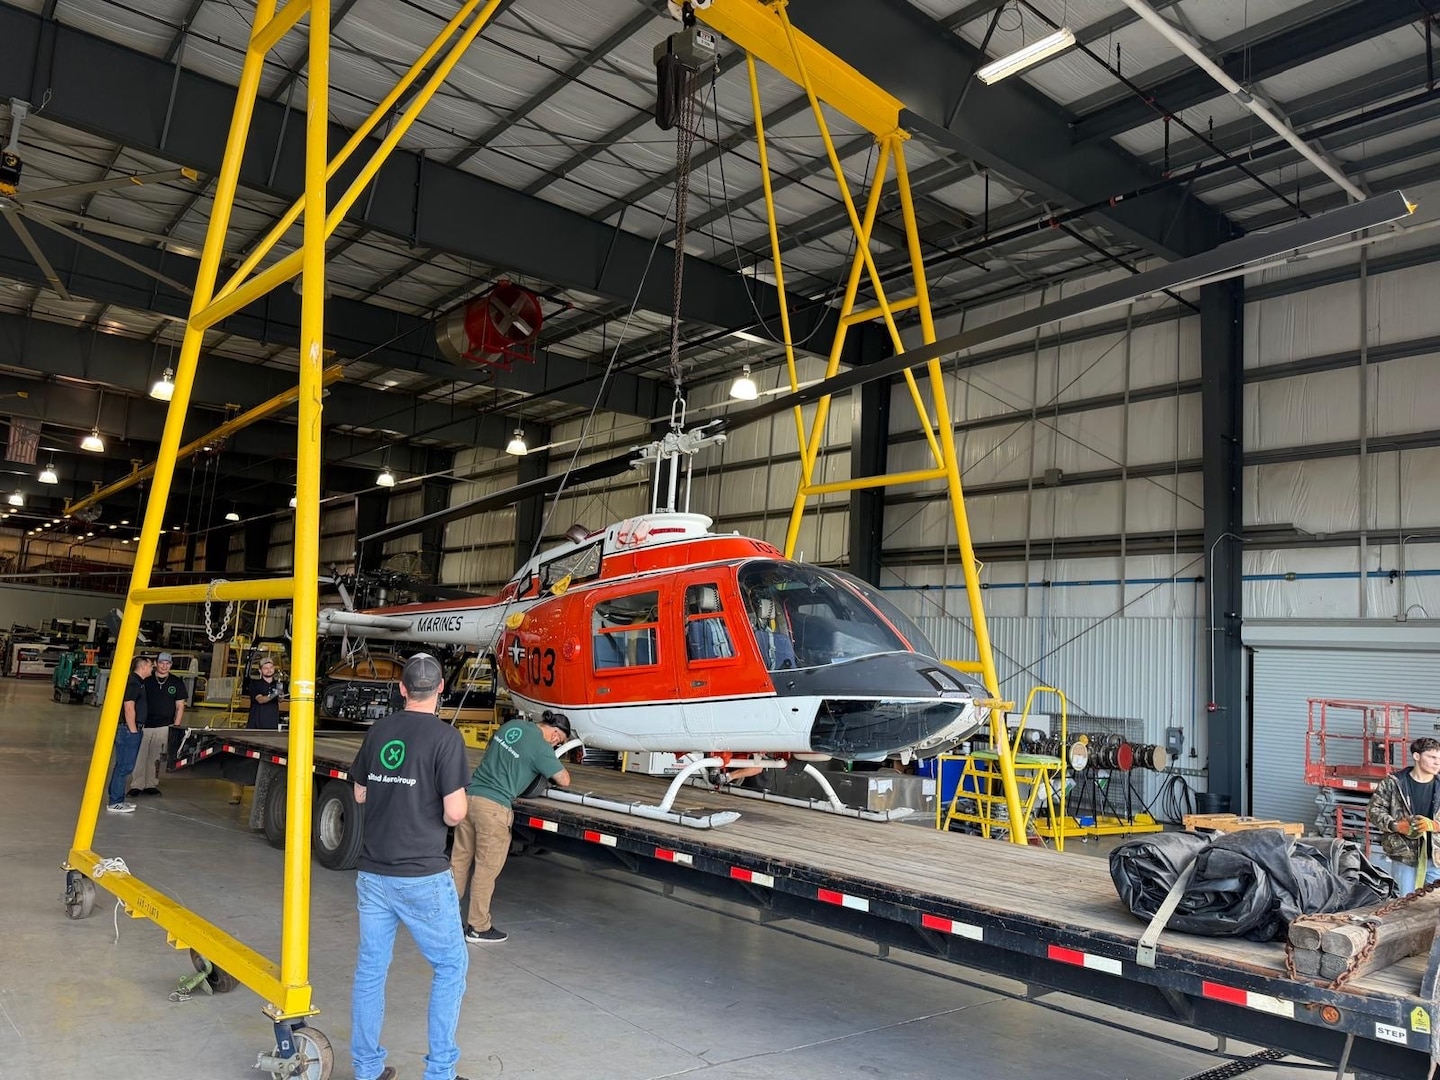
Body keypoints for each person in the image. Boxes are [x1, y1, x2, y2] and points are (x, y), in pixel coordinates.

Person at [349, 653, 472, 1080]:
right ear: (441, 689)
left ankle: (367, 1069)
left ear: (402, 689)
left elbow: (360, 793)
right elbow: (455, 813)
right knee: (450, 967)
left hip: (373, 873)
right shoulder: (446, 738)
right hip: (421, 875)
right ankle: (440, 1072)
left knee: (371, 970)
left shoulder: (379, 731)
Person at [451, 710, 572, 944]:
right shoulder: (542, 747)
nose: (556, 744)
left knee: (459, 862)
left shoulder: (512, 726)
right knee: (486, 870)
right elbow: (564, 780)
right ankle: (478, 927)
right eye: (559, 741)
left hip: (470, 798)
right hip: (494, 808)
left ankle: (446, 919)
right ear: (556, 734)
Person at [1368, 736, 1440, 894]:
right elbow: (1373, 810)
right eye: (1432, 757)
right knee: (1405, 902)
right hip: (1404, 858)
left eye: (1439, 758)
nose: (1437, 763)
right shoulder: (1394, 783)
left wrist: (1435, 825)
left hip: (1436, 859)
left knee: (1434, 904)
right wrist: (1396, 826)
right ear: (1417, 756)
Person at [129, 651, 188, 796]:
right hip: (144, 725)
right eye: (161, 663)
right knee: (140, 756)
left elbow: (180, 706)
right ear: (156, 663)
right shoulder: (146, 679)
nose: (164, 666)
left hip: (164, 726)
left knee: (156, 758)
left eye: (167, 663)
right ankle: (137, 785)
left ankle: (151, 784)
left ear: (171, 665)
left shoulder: (176, 682)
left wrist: (175, 726)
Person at [229, 657, 285, 804]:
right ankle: (236, 793)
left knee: (267, 760)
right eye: (265, 668)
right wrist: (274, 694)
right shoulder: (255, 684)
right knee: (245, 759)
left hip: (271, 728)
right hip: (255, 727)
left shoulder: (277, 684)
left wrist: (280, 693)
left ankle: (264, 794)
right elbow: (260, 700)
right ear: (260, 670)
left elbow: (280, 700)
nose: (269, 670)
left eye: (271, 667)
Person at [106, 655, 153, 813]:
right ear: (142, 666)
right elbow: (129, 707)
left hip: (130, 728)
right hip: (128, 729)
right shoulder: (133, 683)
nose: (152, 669)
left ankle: (118, 799)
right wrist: (133, 730)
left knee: (123, 765)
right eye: (150, 666)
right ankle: (114, 801)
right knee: (124, 766)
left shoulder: (138, 683)